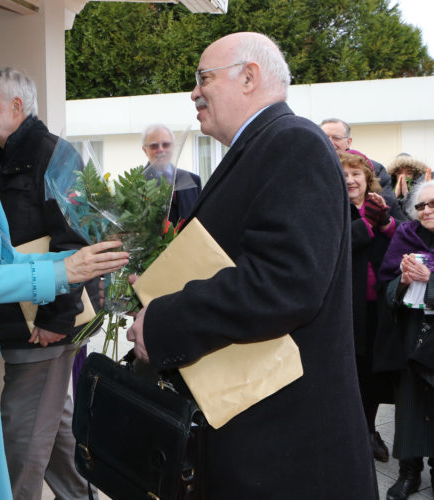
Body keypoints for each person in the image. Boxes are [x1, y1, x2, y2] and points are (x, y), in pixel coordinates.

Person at [127, 32, 378, 499]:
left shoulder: (292, 143)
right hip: (263, 432)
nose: (193, 92)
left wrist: (163, 321)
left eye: (203, 78)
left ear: (249, 77)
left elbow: (283, 284)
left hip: (287, 448)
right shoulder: (264, 146)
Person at [0, 58, 128, 500]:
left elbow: (15, 250)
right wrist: (63, 271)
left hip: (1, 347)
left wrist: (63, 292)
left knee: (19, 443)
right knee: (17, 445)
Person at [0, 67, 99, 500]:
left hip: (43, 326)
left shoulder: (54, 154)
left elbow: (78, 240)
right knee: (49, 432)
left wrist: (56, 318)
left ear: (16, 106)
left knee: (20, 439)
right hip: (20, 319)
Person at [378, 180, 434, 500]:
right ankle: (408, 472)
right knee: (410, 404)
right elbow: (387, 286)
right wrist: (403, 280)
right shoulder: (406, 235)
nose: (426, 210)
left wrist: (431, 280)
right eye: (422, 205)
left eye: (433, 204)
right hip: (412, 330)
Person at [339, 151, 396, 463]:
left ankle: (370, 431)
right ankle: (353, 433)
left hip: (379, 304)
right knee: (353, 370)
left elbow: (402, 237)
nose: (350, 180)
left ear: (367, 178)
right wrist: (368, 221)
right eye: (344, 174)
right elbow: (341, 244)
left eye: (356, 174)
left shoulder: (381, 203)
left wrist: (385, 221)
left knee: (375, 373)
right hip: (348, 306)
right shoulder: (334, 207)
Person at [320, 117, 406, 223]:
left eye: (336, 138)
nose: (329, 142)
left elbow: (390, 211)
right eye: (324, 137)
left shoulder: (375, 169)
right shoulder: (312, 170)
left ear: (348, 142)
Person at [141, 123, 202, 226]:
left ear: (173, 146)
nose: (160, 149)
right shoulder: (137, 184)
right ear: (145, 150)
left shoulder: (193, 180)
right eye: (154, 146)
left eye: (165, 144)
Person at [387, 153, 432, 220]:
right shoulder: (387, 189)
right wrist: (395, 195)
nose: (404, 176)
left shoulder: (419, 192)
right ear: (394, 175)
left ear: (414, 175)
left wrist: (407, 196)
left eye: (409, 173)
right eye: (399, 173)